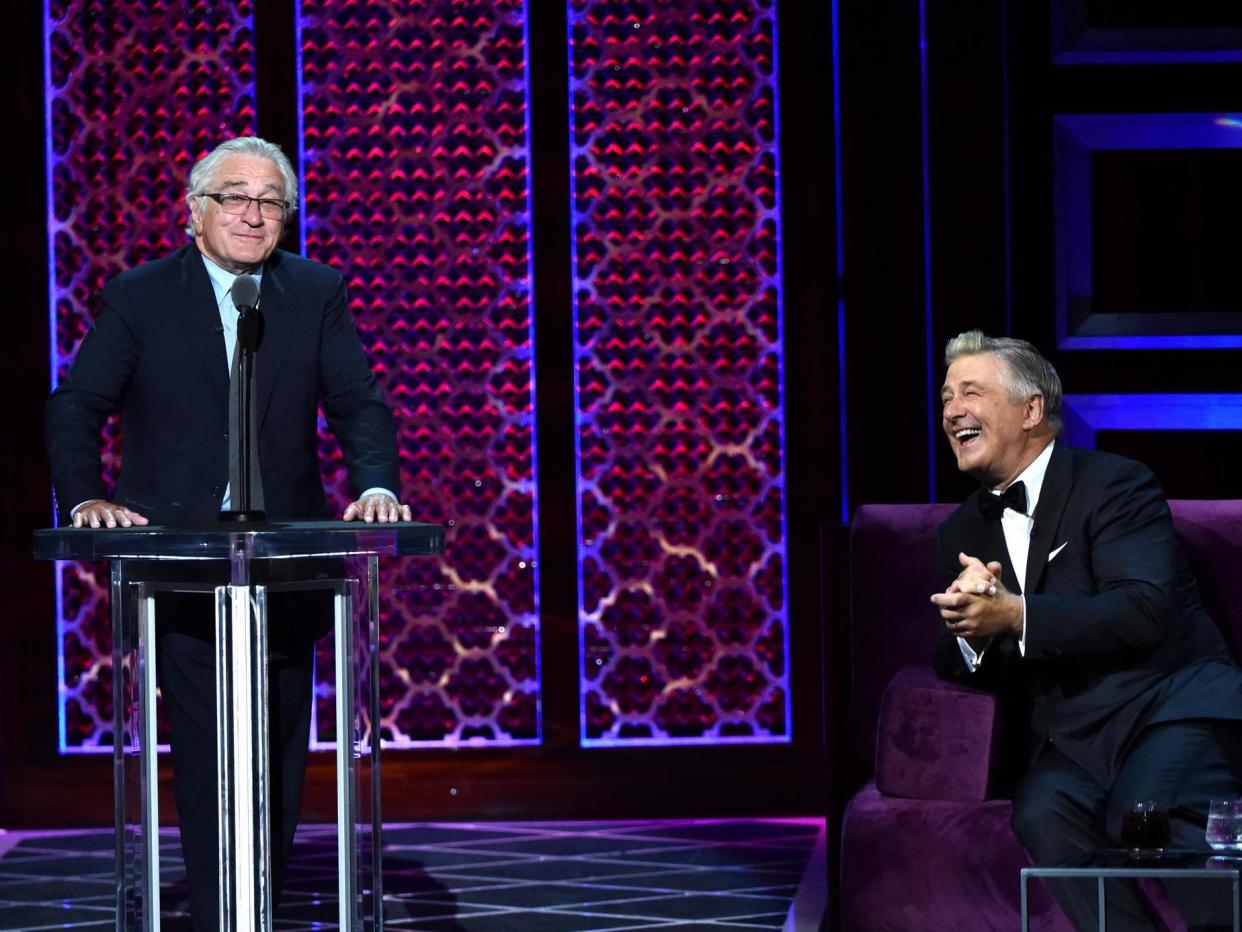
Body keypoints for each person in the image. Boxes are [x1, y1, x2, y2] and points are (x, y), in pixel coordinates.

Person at [45, 136, 412, 929]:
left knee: (280, 757)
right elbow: (75, 405)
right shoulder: (139, 297)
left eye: (270, 200)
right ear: (194, 213)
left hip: (285, 568)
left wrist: (376, 485)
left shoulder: (314, 292)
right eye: (235, 197)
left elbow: (359, 402)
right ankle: (219, 914)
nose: (253, 213)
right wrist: (85, 502)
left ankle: (261, 908)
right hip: (180, 570)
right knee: (209, 756)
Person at [930, 330, 1242, 931]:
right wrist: (972, 631)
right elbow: (955, 652)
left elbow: (1142, 610)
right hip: (1074, 738)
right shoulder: (961, 532)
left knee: (1145, 808)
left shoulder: (1116, 485)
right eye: (945, 398)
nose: (952, 411)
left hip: (1168, 705)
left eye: (970, 392)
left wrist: (1018, 614)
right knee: (1041, 811)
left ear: (1031, 409)